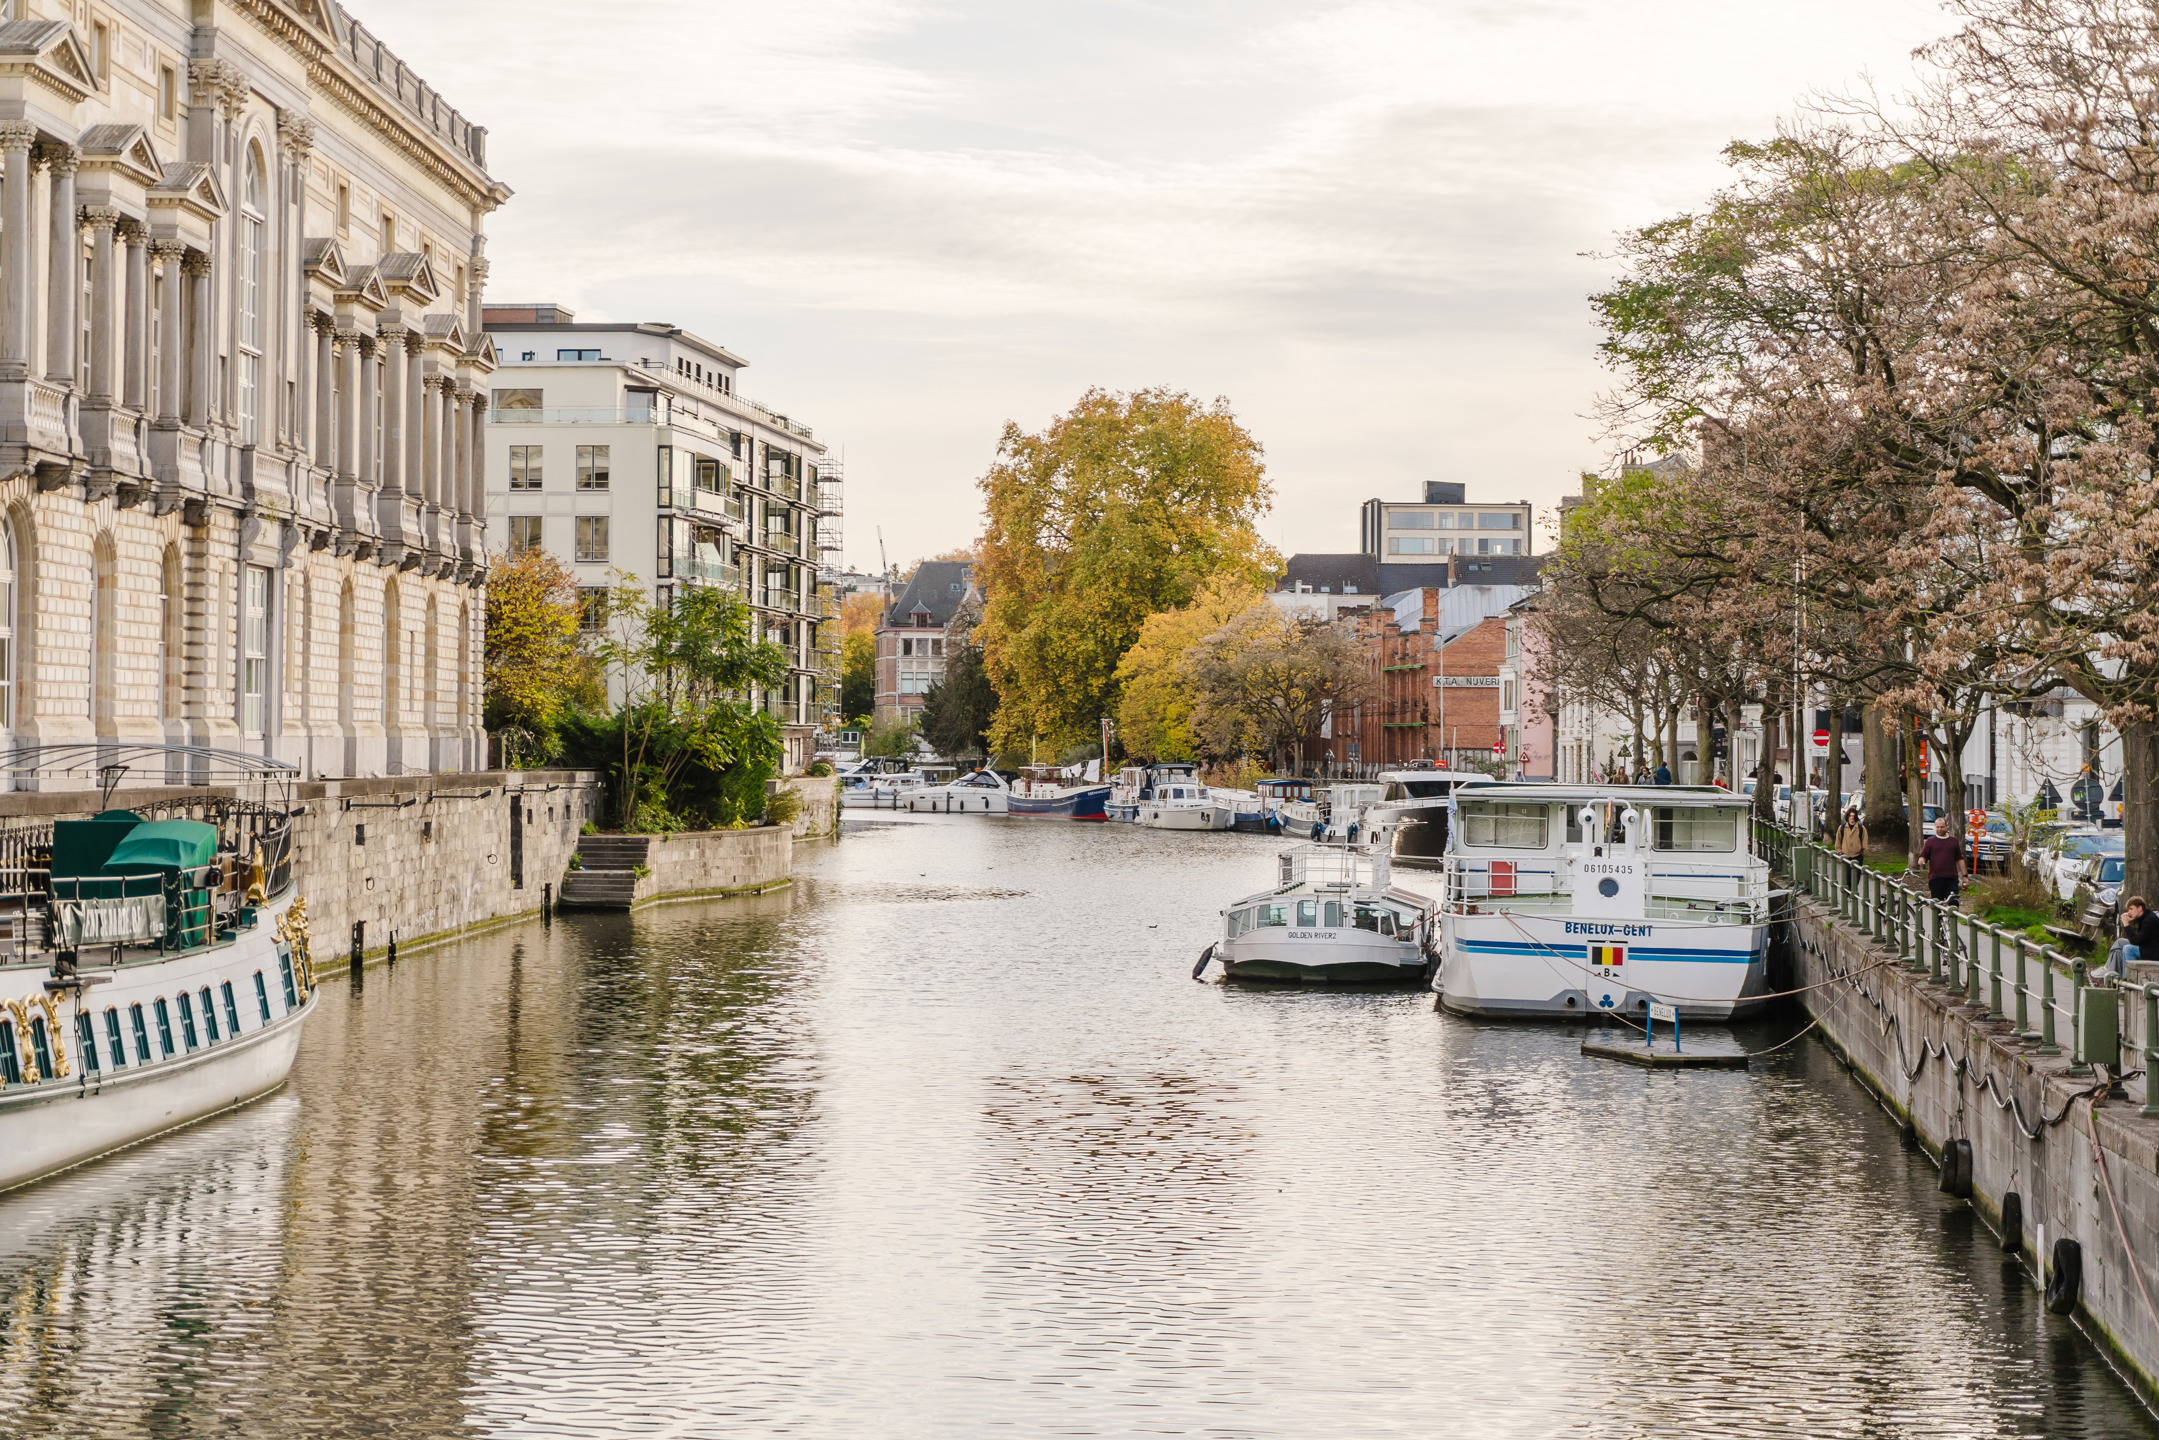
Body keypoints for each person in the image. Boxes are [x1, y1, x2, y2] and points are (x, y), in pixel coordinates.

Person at [1918, 814, 1964, 906]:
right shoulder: (1930, 841)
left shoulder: (1953, 841)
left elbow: (1959, 858)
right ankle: (1938, 920)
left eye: (1942, 827)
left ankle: (1951, 919)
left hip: (1951, 878)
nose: (1940, 829)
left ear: (1946, 827)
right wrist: (1921, 860)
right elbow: (1923, 855)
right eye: (1938, 827)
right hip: (1936, 878)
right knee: (1937, 905)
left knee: (1953, 902)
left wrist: (1965, 876)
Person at [2110, 896, 2158, 976]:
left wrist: (2126, 924)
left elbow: (2135, 941)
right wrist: (2131, 921)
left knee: (2128, 949)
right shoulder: (2144, 917)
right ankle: (2110, 970)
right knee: (2120, 942)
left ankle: (2129, 979)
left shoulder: (2149, 920)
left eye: (2131, 909)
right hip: (2146, 946)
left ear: (2139, 908)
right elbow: (2136, 938)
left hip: (2153, 952)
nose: (2129, 912)